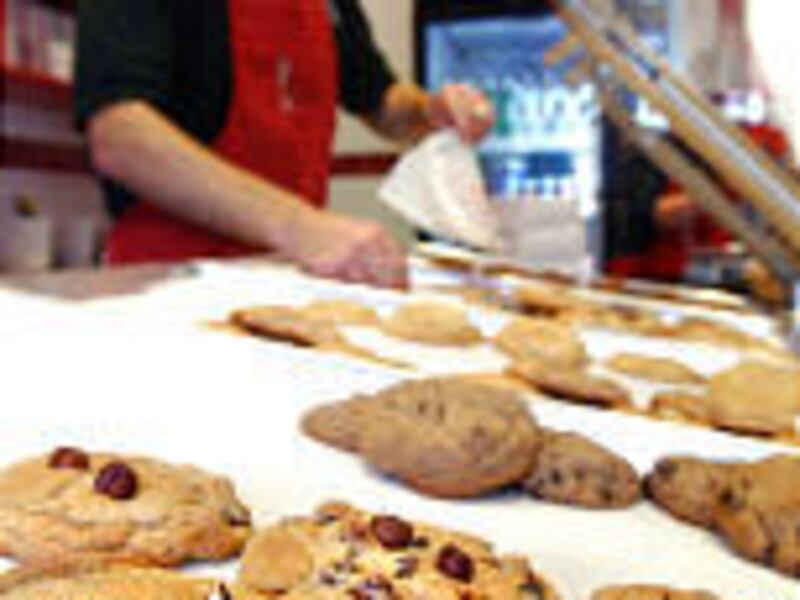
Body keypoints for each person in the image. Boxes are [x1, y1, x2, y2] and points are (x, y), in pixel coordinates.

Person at [75, 1, 494, 289]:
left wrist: (429, 111)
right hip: (169, 282)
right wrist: (299, 226)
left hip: (291, 274)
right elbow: (120, 134)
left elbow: (380, 98)